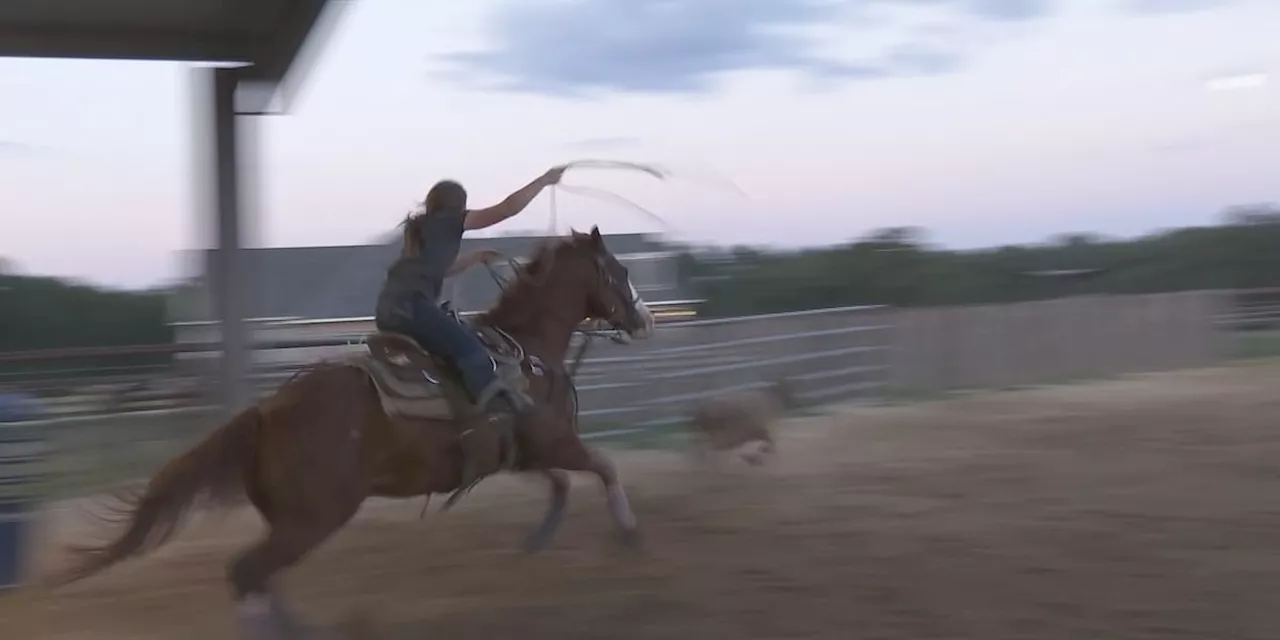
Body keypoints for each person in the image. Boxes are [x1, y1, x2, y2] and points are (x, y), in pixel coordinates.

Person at [374, 166, 566, 495]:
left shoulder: (422, 229)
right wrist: (544, 180)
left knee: (450, 352)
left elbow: (441, 269)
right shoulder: (450, 221)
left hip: (390, 308)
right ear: (457, 206)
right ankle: (493, 420)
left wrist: (475, 257)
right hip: (413, 308)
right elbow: (506, 208)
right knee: (472, 353)